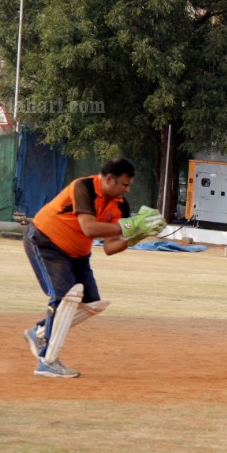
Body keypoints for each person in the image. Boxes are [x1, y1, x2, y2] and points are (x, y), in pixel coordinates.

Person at [23, 158, 165, 378]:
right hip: (46, 240)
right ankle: (47, 361)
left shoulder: (121, 205)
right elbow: (89, 229)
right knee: (66, 297)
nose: (127, 190)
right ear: (109, 179)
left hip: (78, 254)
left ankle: (40, 332)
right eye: (124, 185)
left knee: (91, 304)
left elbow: (109, 248)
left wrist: (135, 237)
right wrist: (132, 225)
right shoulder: (84, 187)